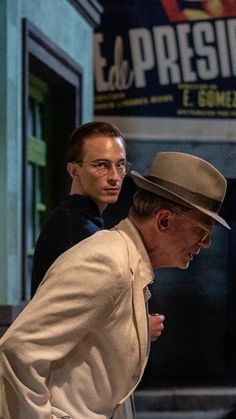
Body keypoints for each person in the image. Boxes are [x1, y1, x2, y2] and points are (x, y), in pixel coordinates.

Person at [0, 151, 230, 419]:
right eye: (203, 230)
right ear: (164, 220)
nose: (206, 243)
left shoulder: (128, 262)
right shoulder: (106, 261)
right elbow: (18, 350)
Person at [30, 121, 163, 342]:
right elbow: (71, 322)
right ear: (74, 170)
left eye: (120, 165)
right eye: (101, 165)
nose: (114, 177)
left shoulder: (81, 220)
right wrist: (138, 329)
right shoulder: (76, 230)